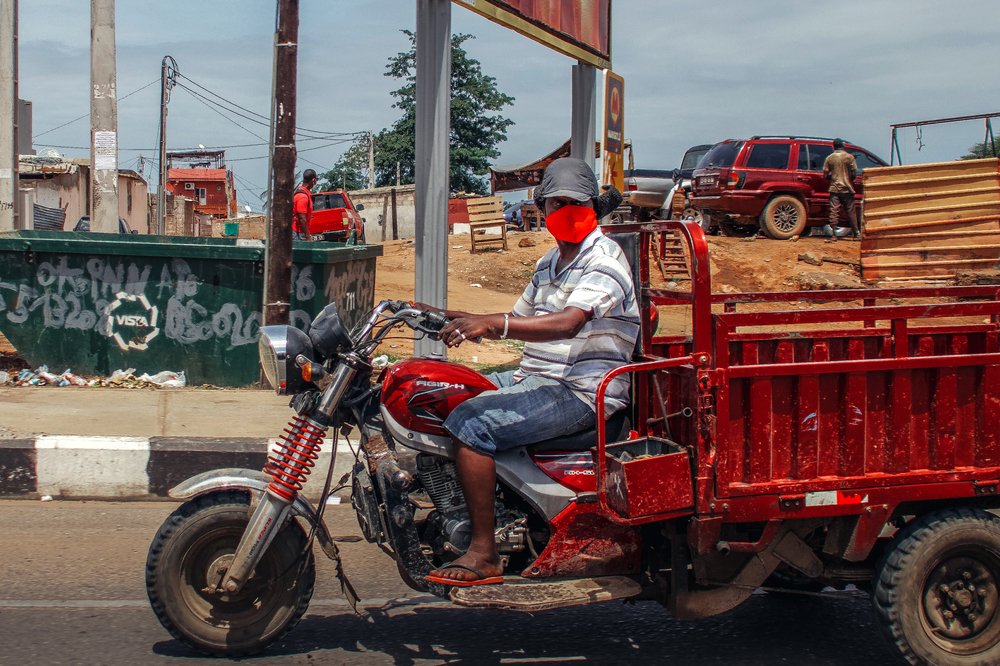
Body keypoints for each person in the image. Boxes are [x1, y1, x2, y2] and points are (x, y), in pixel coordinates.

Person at [422, 158, 640, 587]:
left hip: (580, 391)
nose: (565, 211)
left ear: (593, 206)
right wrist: (431, 313)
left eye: (574, 203)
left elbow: (567, 323)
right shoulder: (549, 264)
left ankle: (485, 553)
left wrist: (491, 324)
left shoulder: (604, 258)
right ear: (541, 208)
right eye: (556, 203)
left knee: (472, 424)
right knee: (440, 394)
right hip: (536, 378)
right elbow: (512, 317)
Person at [822, 139, 860, 241]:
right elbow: (854, 173)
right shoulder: (849, 157)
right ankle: (856, 234)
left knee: (834, 211)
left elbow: (825, 174)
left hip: (834, 188)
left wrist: (831, 177)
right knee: (851, 212)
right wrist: (849, 179)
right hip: (847, 188)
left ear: (834, 146)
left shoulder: (829, 158)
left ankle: (834, 235)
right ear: (843, 146)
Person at [292, 169, 318, 241]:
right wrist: (308, 236)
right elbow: (302, 218)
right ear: (313, 180)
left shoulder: (304, 193)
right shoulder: (302, 196)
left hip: (299, 232)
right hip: (297, 233)